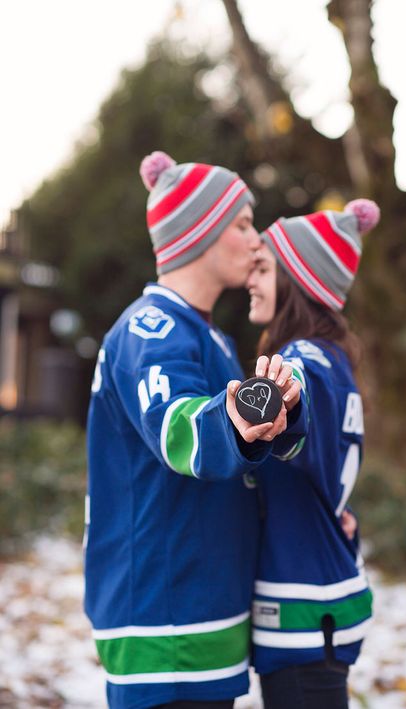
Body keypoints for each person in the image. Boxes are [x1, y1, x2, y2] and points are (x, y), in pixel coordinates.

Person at [84, 150, 305, 709]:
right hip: (163, 621)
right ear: (197, 234)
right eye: (241, 225)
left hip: (204, 612)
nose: (256, 241)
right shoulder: (150, 330)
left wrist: (282, 418)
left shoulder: (210, 338)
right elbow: (179, 428)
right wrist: (240, 417)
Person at [246, 199, 380, 708]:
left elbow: (298, 392)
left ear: (297, 280)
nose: (250, 281)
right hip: (320, 601)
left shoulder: (305, 359)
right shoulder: (335, 358)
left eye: (262, 268)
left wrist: (281, 393)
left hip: (303, 611)